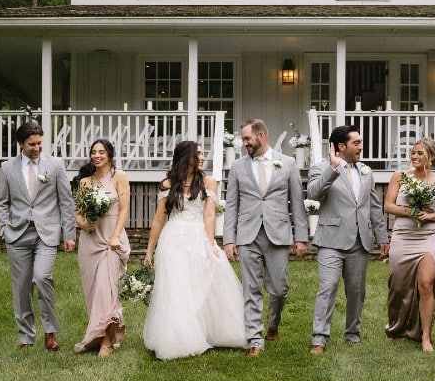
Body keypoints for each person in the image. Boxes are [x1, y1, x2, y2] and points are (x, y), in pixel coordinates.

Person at [142, 141, 247, 360]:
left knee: (204, 283)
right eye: (197, 153)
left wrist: (211, 244)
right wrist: (149, 251)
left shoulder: (208, 182)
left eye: (202, 153)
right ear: (185, 156)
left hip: (198, 236)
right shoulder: (167, 184)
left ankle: (209, 331)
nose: (202, 156)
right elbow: (159, 219)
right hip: (172, 240)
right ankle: (177, 337)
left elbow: (209, 215)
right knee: (177, 288)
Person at [223, 119, 308, 357]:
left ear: (261, 135)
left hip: (278, 234)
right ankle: (255, 340)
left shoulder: (288, 164)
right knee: (251, 288)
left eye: (247, 138)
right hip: (248, 234)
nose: (244, 144)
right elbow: (231, 206)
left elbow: (297, 203)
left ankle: (273, 325)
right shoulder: (238, 167)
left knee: (279, 289)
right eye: (242, 139)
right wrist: (229, 239)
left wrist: (301, 236)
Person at [307, 125, 389, 354]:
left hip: (359, 241)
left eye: (361, 142)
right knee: (328, 286)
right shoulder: (321, 168)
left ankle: (352, 334)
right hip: (331, 240)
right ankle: (319, 338)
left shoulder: (366, 171)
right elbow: (313, 193)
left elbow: (373, 206)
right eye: (357, 143)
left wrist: (382, 236)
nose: (361, 147)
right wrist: (333, 169)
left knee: (356, 290)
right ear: (341, 147)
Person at [0, 121, 76, 351]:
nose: (37, 148)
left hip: (47, 234)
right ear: (21, 144)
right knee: (21, 288)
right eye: (32, 144)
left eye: (40, 143)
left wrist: (69, 234)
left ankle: (50, 332)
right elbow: (1, 202)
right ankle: (26, 337)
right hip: (17, 235)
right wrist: (4, 228)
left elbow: (66, 202)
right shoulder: (7, 168)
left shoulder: (56, 165)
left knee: (42, 278)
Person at [384, 138, 435, 352]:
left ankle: (425, 336)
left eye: (420, 153)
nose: (414, 157)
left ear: (431, 156)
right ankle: (396, 327)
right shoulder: (399, 176)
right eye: (413, 153)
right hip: (403, 234)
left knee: (426, 284)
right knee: (398, 285)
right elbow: (389, 206)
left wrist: (429, 217)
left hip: (428, 236)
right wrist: (409, 212)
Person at [73, 139, 131, 357]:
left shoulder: (119, 177)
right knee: (92, 290)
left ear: (109, 155)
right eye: (94, 152)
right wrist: (83, 224)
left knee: (106, 290)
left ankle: (106, 340)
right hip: (90, 240)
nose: (97, 156)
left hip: (111, 241)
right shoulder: (85, 182)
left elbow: (124, 210)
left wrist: (115, 236)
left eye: (102, 152)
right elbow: (78, 213)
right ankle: (98, 333)